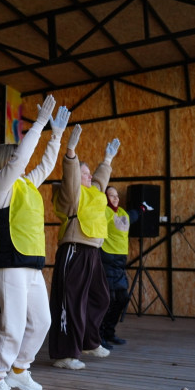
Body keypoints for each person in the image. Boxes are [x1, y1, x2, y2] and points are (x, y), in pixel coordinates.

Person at [0, 96, 71, 390]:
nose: (22, 162)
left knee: (42, 321)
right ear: (4, 162)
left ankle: (19, 370)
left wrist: (56, 136)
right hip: (8, 262)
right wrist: (40, 124)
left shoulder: (26, 184)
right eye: (15, 158)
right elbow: (21, 160)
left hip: (30, 264)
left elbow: (45, 165)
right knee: (13, 326)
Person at [48, 128, 120, 370]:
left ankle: (89, 342)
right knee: (71, 302)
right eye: (85, 174)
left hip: (92, 251)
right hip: (74, 249)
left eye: (90, 174)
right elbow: (71, 177)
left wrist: (107, 160)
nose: (90, 177)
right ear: (75, 177)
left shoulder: (94, 193)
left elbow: (100, 180)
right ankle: (65, 354)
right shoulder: (71, 194)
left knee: (101, 297)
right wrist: (71, 152)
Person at [98, 186, 139, 348]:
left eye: (116, 196)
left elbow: (133, 216)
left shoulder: (122, 213)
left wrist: (142, 209)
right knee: (106, 300)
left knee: (122, 299)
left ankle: (109, 332)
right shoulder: (103, 212)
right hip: (106, 260)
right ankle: (99, 337)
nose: (115, 198)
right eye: (111, 196)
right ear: (105, 198)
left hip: (120, 263)